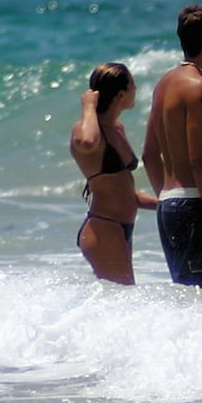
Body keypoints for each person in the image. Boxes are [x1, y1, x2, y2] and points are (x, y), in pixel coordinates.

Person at [143, 5, 202, 301]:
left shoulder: (164, 85)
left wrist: (168, 200)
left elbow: (149, 154)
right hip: (192, 209)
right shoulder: (199, 87)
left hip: (169, 207)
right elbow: (200, 159)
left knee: (195, 306)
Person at [70, 62, 157, 285]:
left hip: (120, 228)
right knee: (122, 298)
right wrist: (88, 105)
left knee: (122, 299)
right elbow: (87, 143)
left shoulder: (117, 129)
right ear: (120, 94)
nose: (136, 89)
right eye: (133, 85)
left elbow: (125, 192)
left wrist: (166, 204)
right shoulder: (87, 130)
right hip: (103, 229)